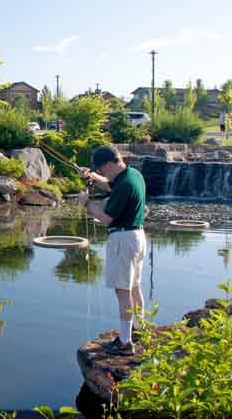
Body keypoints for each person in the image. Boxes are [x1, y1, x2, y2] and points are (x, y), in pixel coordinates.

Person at [77, 145, 147, 356]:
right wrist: (94, 177)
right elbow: (111, 185)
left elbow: (106, 218)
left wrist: (87, 203)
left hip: (122, 240)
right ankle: (140, 329)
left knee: (122, 291)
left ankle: (125, 342)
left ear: (109, 164)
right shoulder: (132, 174)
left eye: (101, 169)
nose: (102, 172)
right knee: (134, 286)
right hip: (138, 237)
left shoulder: (125, 185)